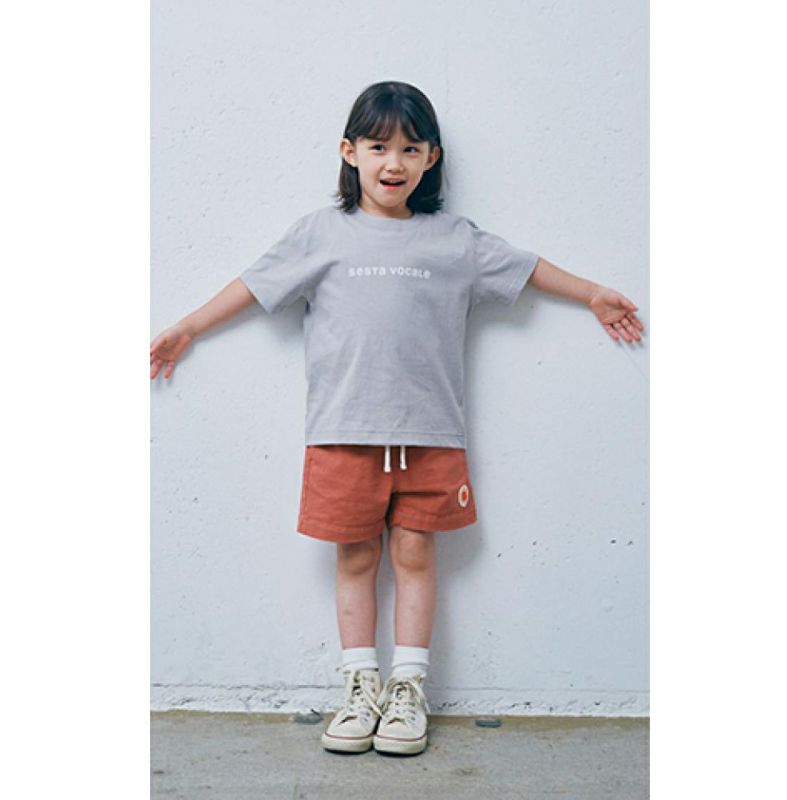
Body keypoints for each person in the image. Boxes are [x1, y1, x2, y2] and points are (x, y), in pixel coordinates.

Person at [150, 80, 644, 757]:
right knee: (356, 557)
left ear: (431, 158)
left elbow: (527, 268)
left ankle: (408, 690)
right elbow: (252, 285)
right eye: (380, 146)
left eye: (411, 149)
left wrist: (592, 294)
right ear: (349, 151)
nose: (394, 162)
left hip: (430, 433)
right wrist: (187, 327)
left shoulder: (453, 240)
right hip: (341, 432)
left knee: (414, 554)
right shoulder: (319, 233)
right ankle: (360, 689)